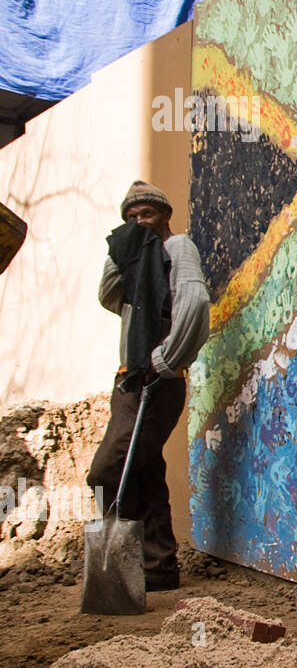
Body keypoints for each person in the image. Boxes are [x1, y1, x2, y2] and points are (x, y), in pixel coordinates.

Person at [88, 181, 210, 592]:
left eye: (146, 214)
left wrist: (165, 361)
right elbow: (108, 296)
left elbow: (194, 303)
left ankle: (120, 568)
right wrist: (121, 251)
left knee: (107, 471)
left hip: (156, 382)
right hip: (128, 380)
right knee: (145, 468)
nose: (139, 221)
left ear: (165, 214)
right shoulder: (139, 263)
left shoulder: (178, 249)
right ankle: (158, 568)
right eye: (131, 217)